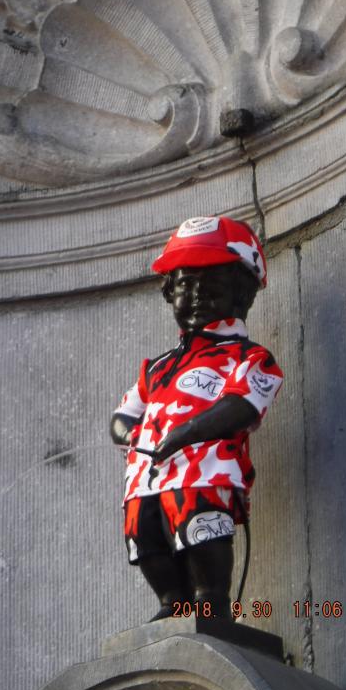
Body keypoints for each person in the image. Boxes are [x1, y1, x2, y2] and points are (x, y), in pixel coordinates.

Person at [110, 215, 283, 621]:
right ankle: (172, 601)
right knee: (144, 535)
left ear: (241, 294)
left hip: (204, 469)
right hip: (148, 473)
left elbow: (243, 405)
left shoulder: (247, 356)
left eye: (213, 284)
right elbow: (122, 415)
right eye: (185, 284)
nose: (197, 294)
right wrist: (133, 435)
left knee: (201, 528)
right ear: (170, 292)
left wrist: (186, 432)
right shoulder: (157, 368)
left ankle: (211, 601)